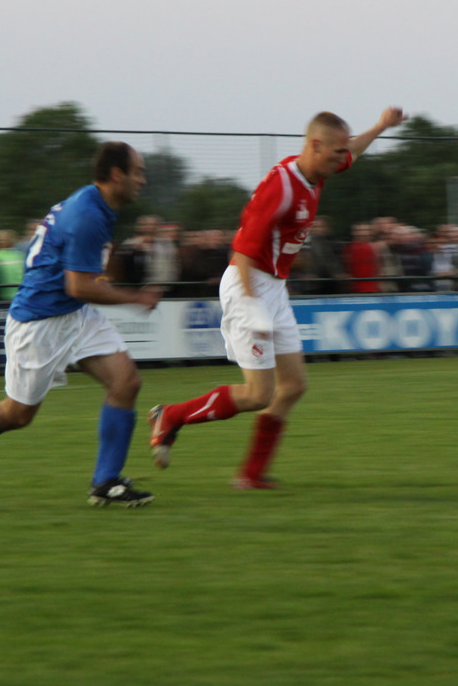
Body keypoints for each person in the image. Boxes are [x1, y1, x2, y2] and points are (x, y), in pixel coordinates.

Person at [148, 108, 405, 489]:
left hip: (273, 287)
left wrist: (381, 126)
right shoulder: (281, 187)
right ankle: (171, 416)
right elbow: (243, 252)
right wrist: (252, 305)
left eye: (343, 151)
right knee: (258, 394)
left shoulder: (318, 169)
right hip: (246, 284)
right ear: (315, 146)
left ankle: (251, 475)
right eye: (337, 151)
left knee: (294, 386)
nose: (343, 158)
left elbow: (353, 150)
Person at [0, 143, 162, 507]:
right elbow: (78, 286)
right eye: (138, 172)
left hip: (73, 313)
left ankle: (106, 482)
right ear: (116, 174)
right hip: (41, 322)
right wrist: (135, 298)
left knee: (126, 382)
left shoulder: (96, 205)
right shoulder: (87, 214)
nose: (143, 180)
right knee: (16, 414)